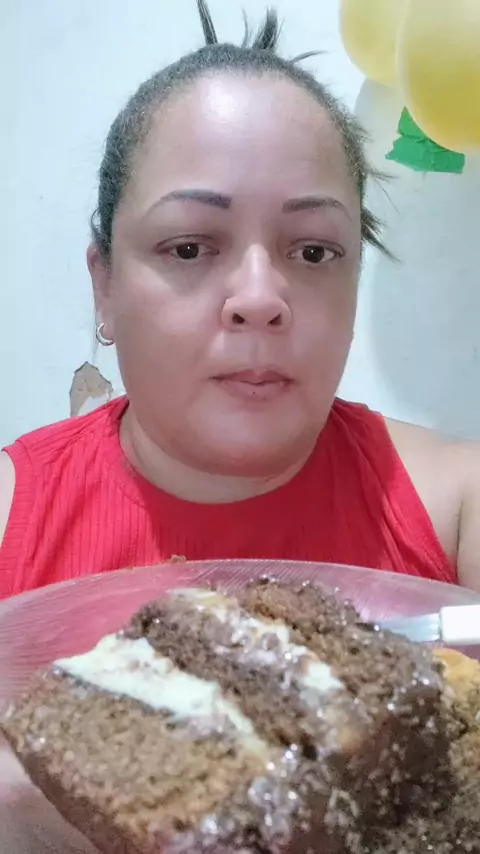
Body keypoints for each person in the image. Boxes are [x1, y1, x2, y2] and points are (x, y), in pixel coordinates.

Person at [1, 1, 479, 600]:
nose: (259, 298)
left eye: (313, 252)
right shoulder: (11, 519)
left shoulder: (459, 509)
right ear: (106, 286)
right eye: (188, 249)